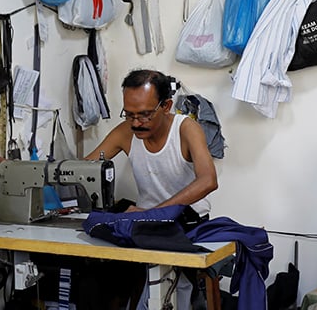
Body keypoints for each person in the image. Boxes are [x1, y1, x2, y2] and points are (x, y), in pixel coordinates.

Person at [84, 68, 219, 310]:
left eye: (145, 115)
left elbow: (208, 180)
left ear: (166, 106)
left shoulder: (186, 129)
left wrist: (155, 212)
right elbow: (83, 168)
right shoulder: (127, 132)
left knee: (168, 293)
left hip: (188, 224)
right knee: (98, 276)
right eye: (129, 114)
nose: (136, 123)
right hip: (145, 224)